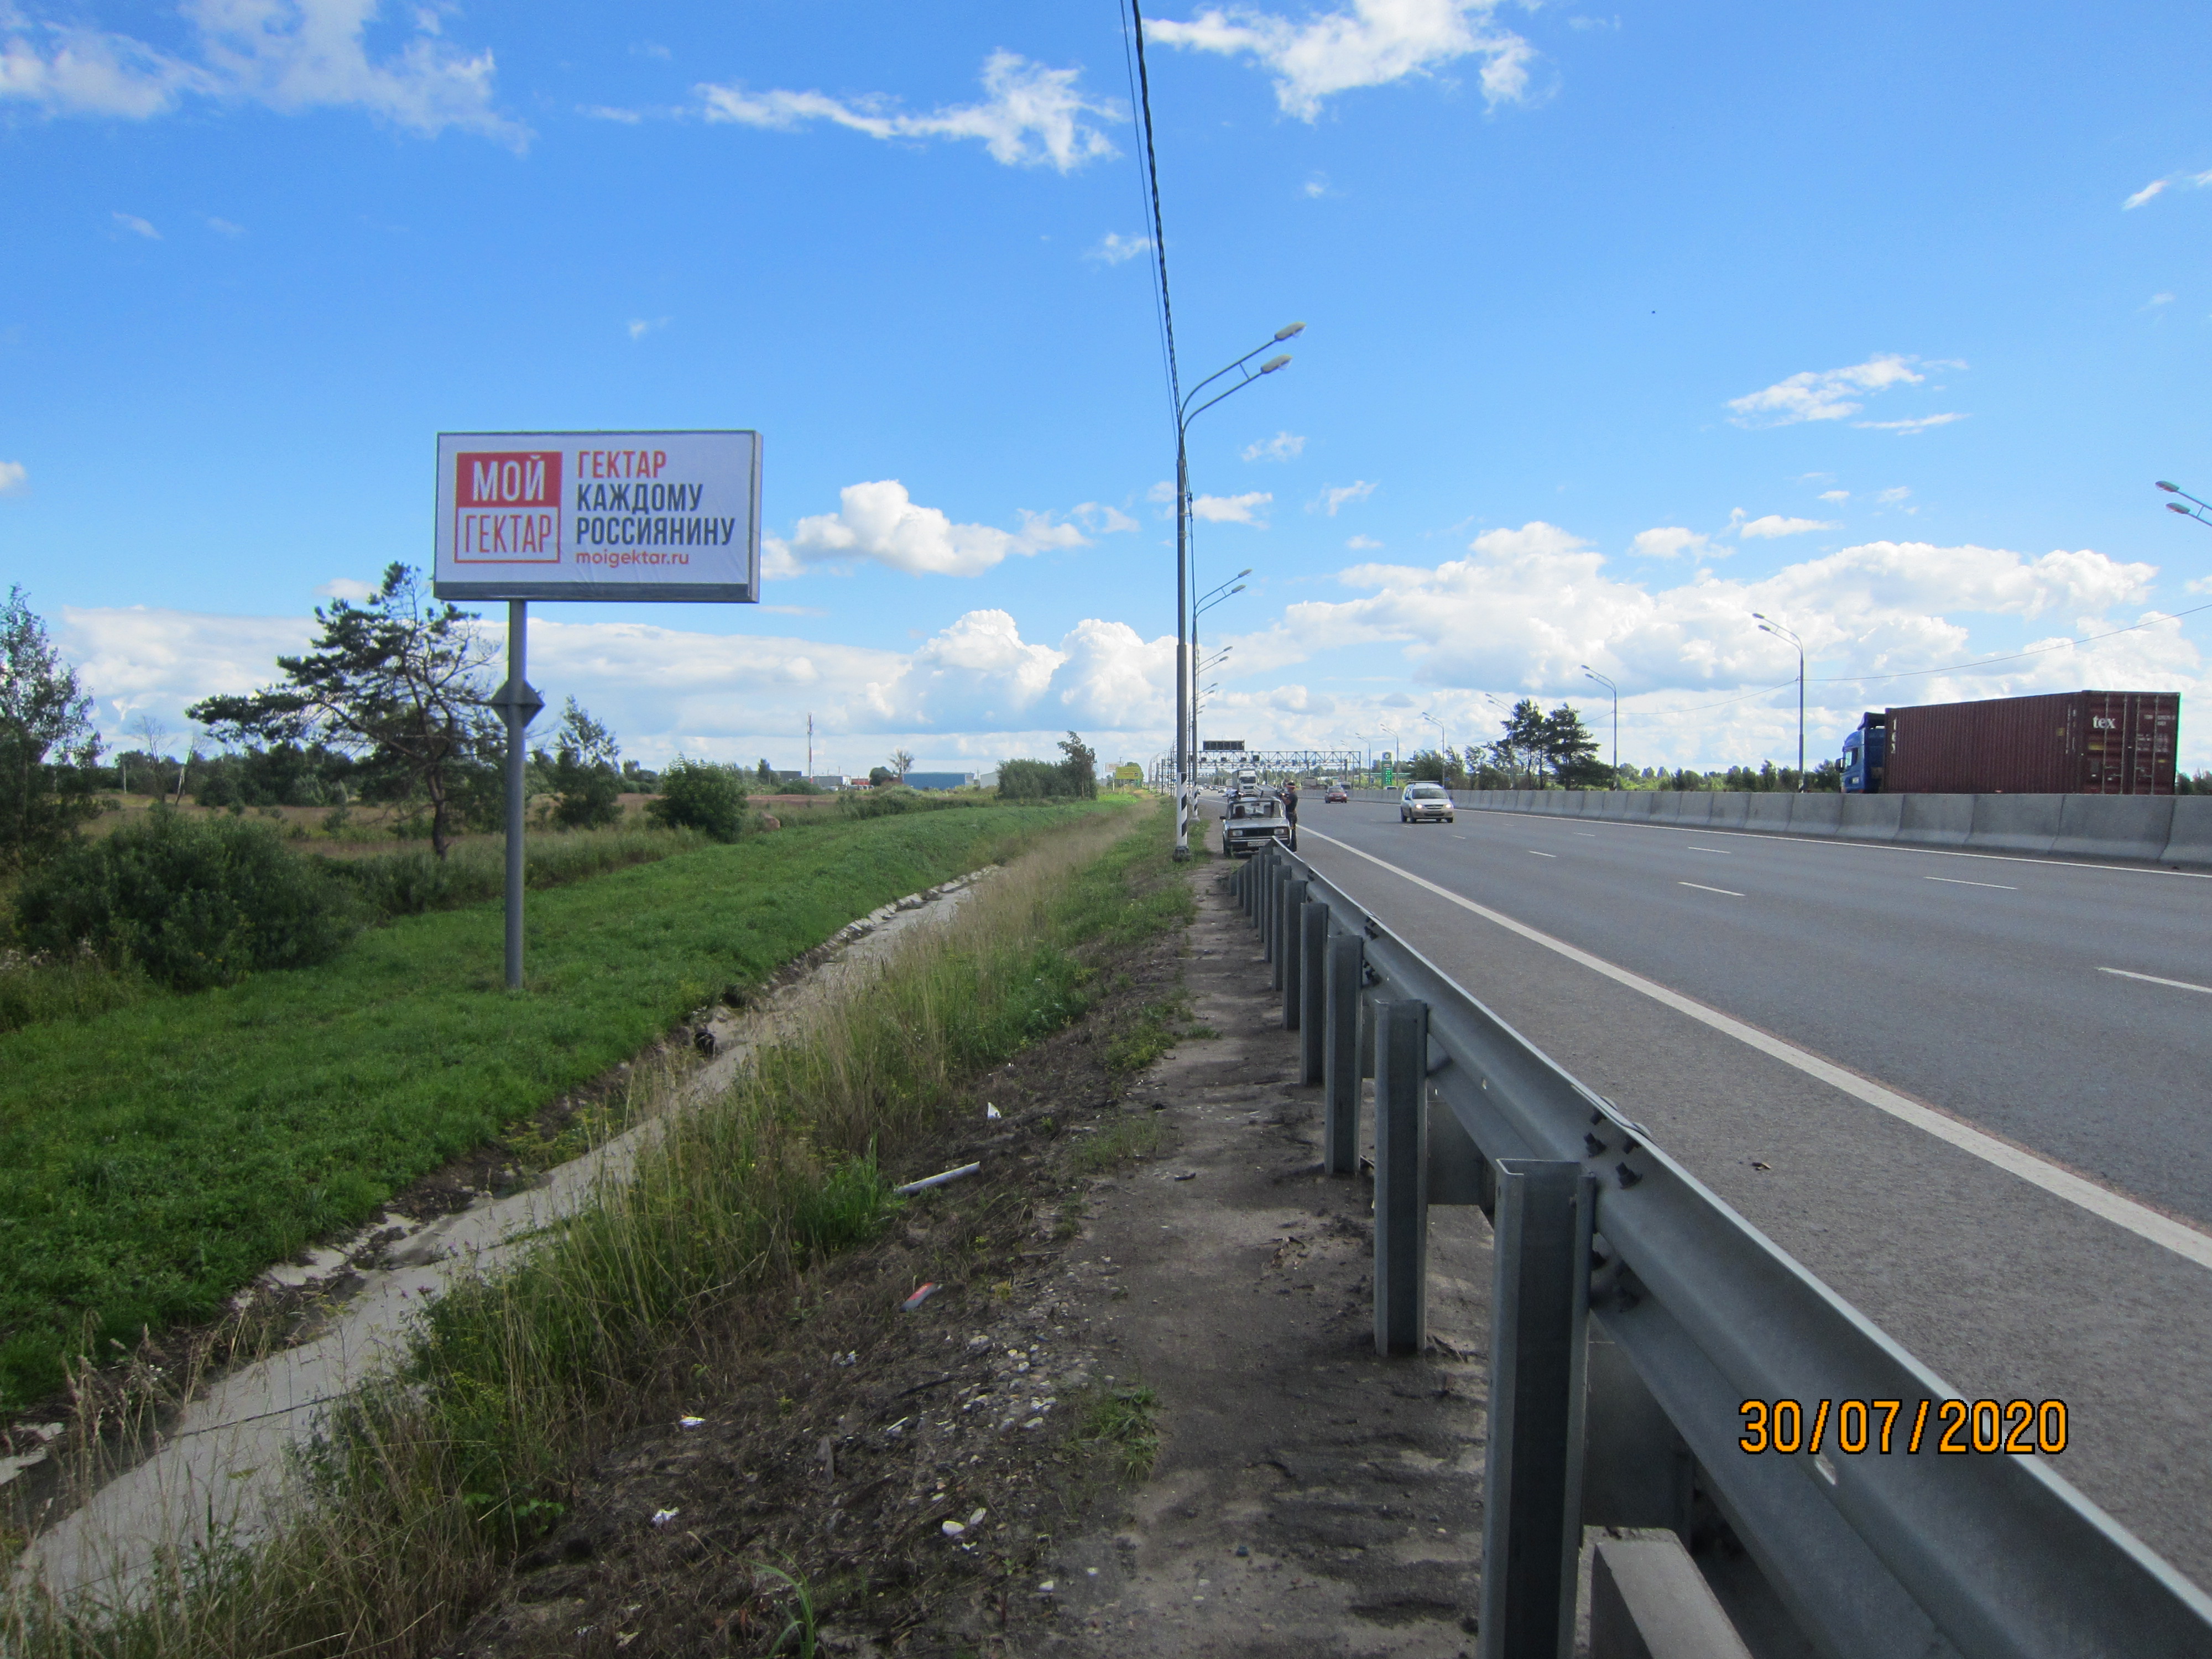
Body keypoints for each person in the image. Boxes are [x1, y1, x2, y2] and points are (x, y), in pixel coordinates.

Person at [1279, 778, 1300, 849]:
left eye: (1288, 788)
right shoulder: (1292, 795)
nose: (1287, 789)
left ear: (1290, 788)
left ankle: (1293, 847)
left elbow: (1287, 802)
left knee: (1292, 831)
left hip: (1291, 815)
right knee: (1291, 830)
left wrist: (1282, 797)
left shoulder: (1292, 796)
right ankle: (1292, 846)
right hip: (1292, 815)